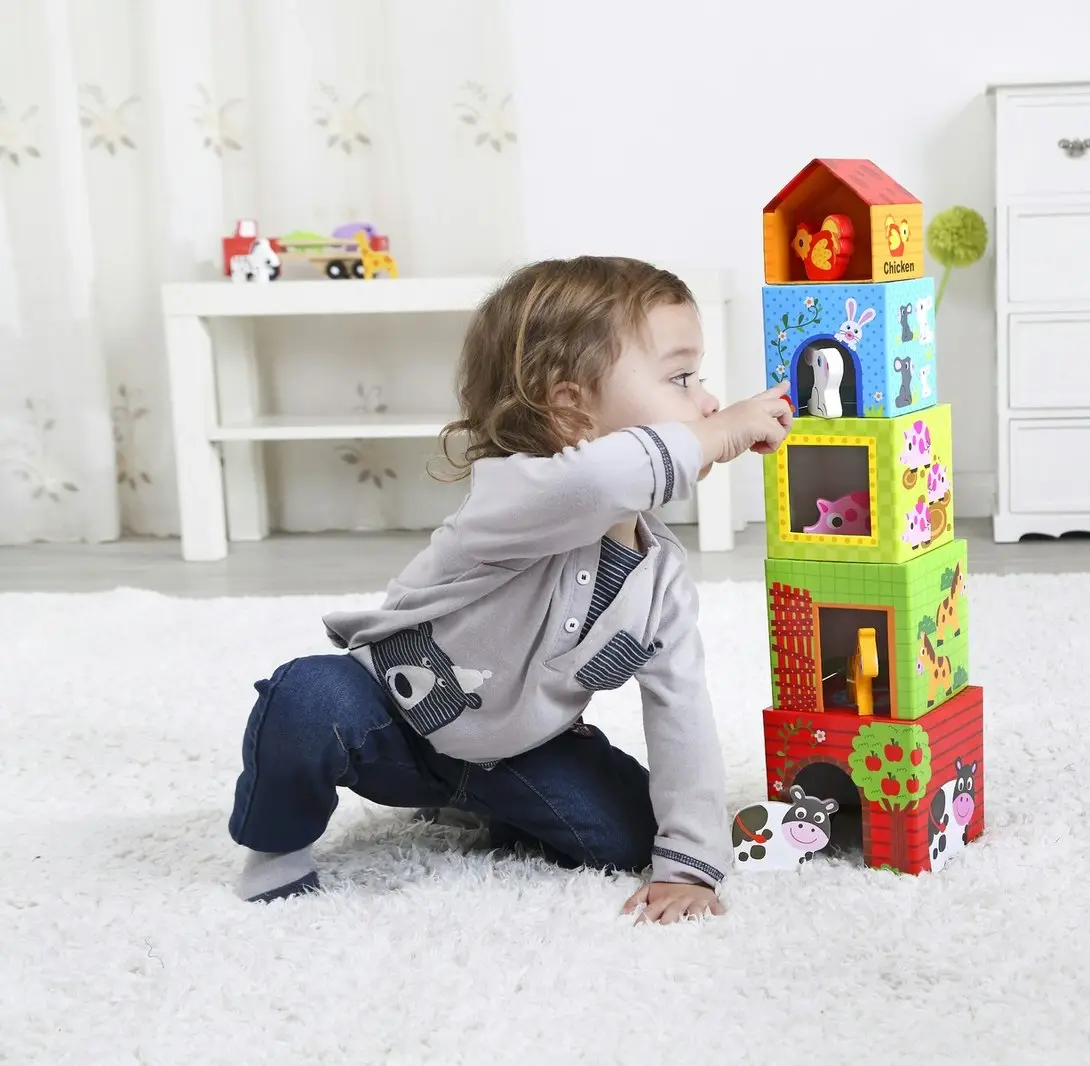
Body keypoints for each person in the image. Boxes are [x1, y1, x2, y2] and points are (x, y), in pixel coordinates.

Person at [225, 256, 793, 923]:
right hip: (391, 722)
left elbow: (681, 713)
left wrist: (689, 864)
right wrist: (719, 433)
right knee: (307, 696)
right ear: (571, 410)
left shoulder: (658, 575)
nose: (705, 402)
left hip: (515, 753)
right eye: (679, 377)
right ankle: (276, 847)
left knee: (629, 838)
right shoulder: (516, 493)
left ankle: (493, 810)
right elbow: (599, 480)